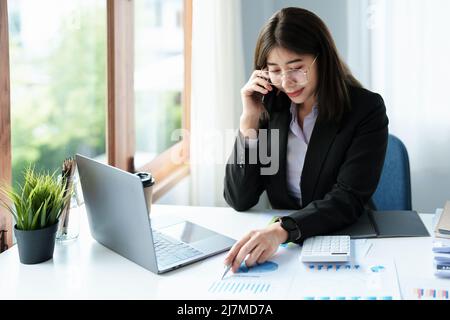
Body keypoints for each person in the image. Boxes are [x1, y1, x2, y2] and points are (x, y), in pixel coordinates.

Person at [223, 7, 389, 273]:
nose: (286, 82)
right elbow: (240, 198)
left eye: (296, 68)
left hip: (342, 237)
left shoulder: (365, 109)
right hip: (284, 249)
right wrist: (249, 121)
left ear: (322, 59)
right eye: (274, 70)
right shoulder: (270, 105)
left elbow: (348, 198)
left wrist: (282, 230)